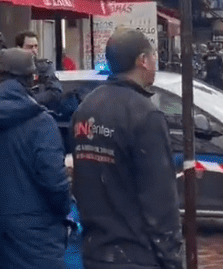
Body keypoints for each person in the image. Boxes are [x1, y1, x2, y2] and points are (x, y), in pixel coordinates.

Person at [72, 28, 183, 269]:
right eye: (153, 57)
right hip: (137, 254)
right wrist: (171, 258)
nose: (155, 63)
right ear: (143, 60)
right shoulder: (145, 114)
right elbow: (160, 199)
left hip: (95, 251)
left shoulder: (86, 108)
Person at [0, 48, 71, 269]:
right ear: (32, 79)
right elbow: (54, 181)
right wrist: (64, 209)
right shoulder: (41, 123)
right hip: (36, 238)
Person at [14, 31, 65, 111]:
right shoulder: (11, 68)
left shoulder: (44, 67)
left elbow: (55, 92)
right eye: (30, 47)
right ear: (18, 48)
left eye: (36, 46)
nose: (34, 50)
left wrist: (29, 101)